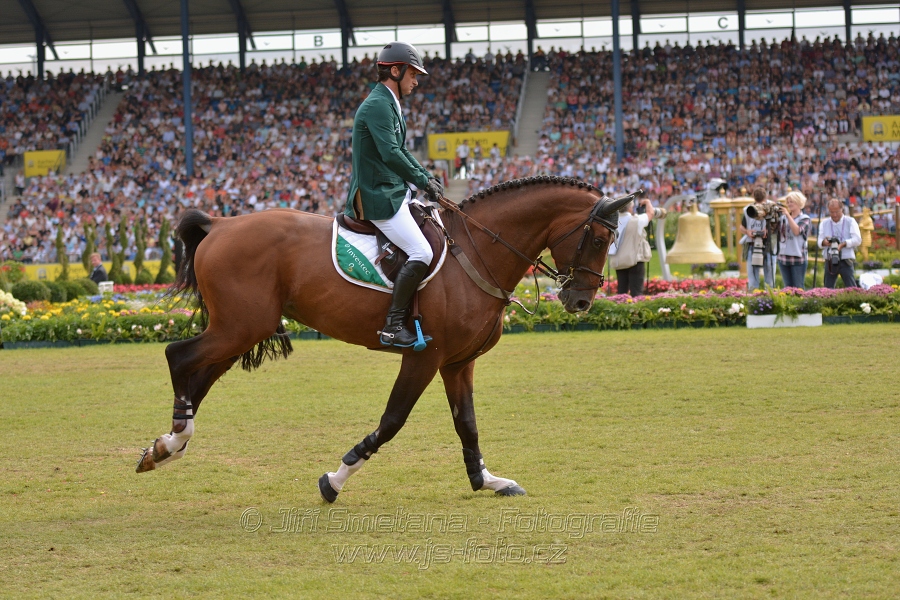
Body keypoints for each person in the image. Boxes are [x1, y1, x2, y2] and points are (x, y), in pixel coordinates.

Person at [344, 41, 444, 349]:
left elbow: (399, 150)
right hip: (378, 197)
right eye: (413, 74)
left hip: (392, 191)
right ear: (396, 71)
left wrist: (425, 177)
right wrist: (422, 180)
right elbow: (390, 153)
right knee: (422, 253)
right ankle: (392, 327)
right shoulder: (377, 105)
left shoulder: (388, 102)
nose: (416, 81)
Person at [608, 197, 656, 296]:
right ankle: (636, 311)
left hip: (619, 261)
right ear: (630, 208)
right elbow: (651, 213)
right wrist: (647, 202)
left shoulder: (613, 222)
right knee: (637, 293)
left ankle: (621, 309)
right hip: (634, 260)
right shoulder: (636, 220)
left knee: (621, 292)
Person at [818, 198, 861, 289]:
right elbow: (819, 241)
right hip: (830, 259)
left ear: (842, 209)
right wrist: (824, 242)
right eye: (831, 212)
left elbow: (857, 240)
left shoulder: (850, 221)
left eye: (837, 212)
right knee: (827, 289)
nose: (834, 215)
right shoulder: (824, 223)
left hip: (846, 259)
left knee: (851, 287)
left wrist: (843, 244)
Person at [739, 188, 776, 290]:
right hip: (752, 245)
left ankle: (770, 296)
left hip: (768, 245)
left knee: (769, 279)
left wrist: (769, 228)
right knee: (753, 278)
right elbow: (741, 227)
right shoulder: (749, 209)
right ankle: (753, 296)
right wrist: (748, 232)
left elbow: (779, 224)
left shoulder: (772, 207)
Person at [776, 191, 811, 289]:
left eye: (792, 202)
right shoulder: (783, 217)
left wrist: (787, 215)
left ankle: (800, 304)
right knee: (787, 287)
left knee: (798, 287)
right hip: (783, 256)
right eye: (788, 202)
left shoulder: (805, 218)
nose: (789, 204)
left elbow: (796, 231)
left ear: (799, 203)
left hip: (798, 257)